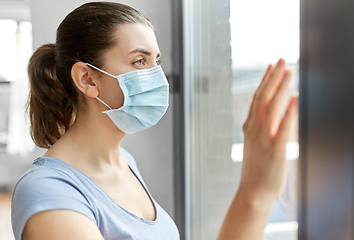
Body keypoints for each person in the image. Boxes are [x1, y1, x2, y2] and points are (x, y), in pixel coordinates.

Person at [11, 2, 298, 240]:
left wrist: (257, 191)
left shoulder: (124, 161)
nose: (157, 77)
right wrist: (254, 194)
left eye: (156, 62)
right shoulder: (49, 193)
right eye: (139, 61)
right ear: (87, 79)